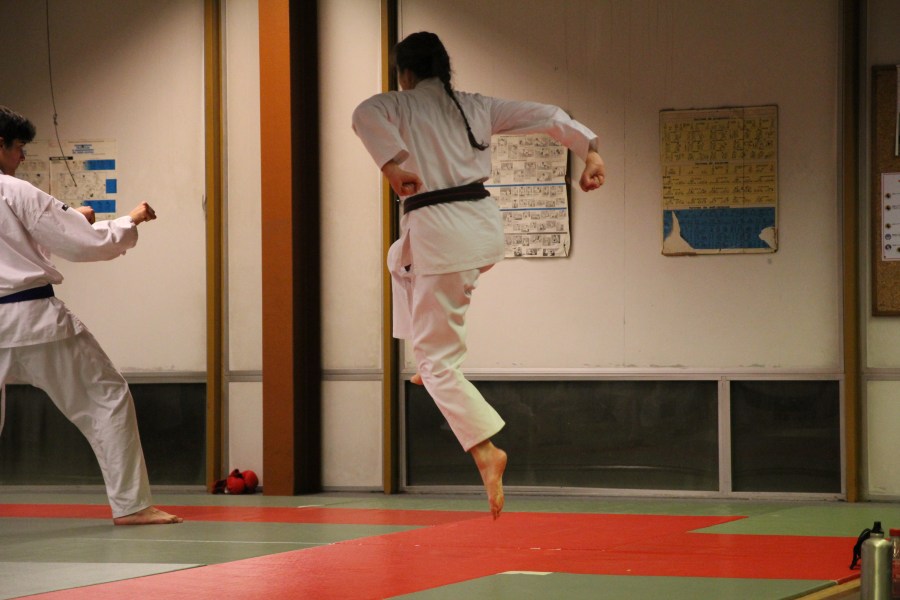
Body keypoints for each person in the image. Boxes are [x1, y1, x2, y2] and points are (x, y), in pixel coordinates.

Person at [352, 32, 606, 519]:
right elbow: (548, 114)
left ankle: (486, 450)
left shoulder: (400, 105)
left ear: (405, 73)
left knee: (438, 362)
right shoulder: (475, 106)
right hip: (481, 230)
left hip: (441, 231)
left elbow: (364, 113)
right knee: (398, 261)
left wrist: (392, 167)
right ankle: (427, 355)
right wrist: (589, 149)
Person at [0, 106, 181, 525]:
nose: (22, 156)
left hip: (22, 315)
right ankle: (132, 505)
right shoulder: (15, 191)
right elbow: (81, 244)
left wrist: (73, 221)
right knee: (106, 398)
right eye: (19, 146)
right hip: (33, 320)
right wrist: (129, 221)